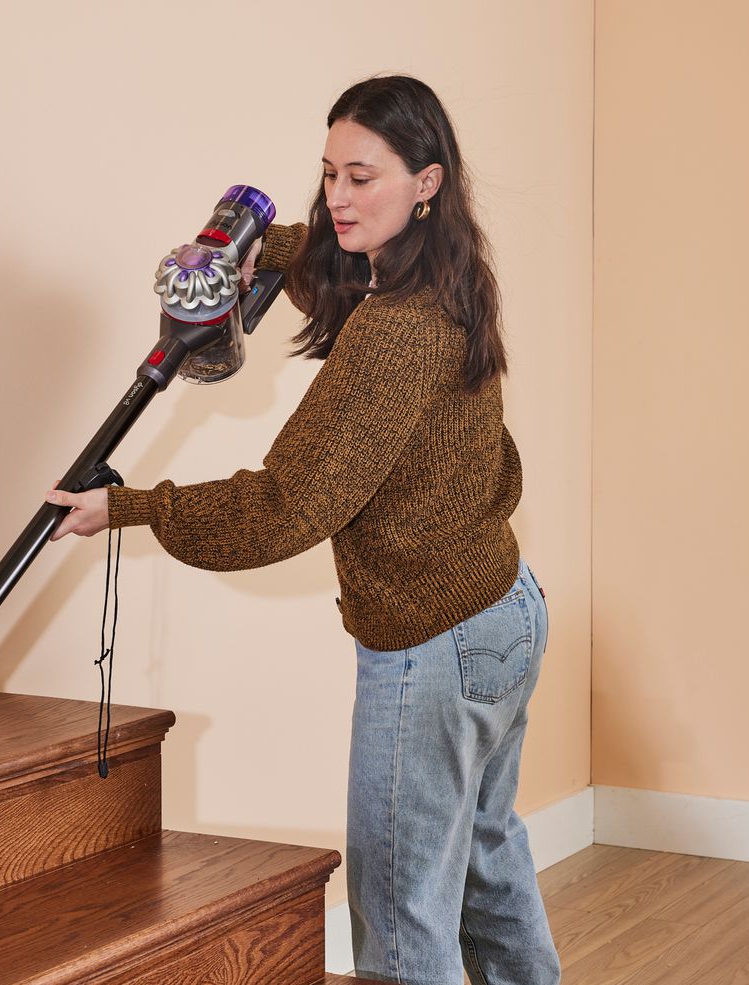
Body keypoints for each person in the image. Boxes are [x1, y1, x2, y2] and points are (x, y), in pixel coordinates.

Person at [45, 75, 560, 985]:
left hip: (432, 641)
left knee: (403, 917)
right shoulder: (447, 270)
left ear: (425, 181)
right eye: (328, 175)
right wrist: (255, 251)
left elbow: (287, 503)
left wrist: (131, 507)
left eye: (363, 178)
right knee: (486, 860)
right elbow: (329, 252)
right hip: (503, 608)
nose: (338, 198)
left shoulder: (396, 334)